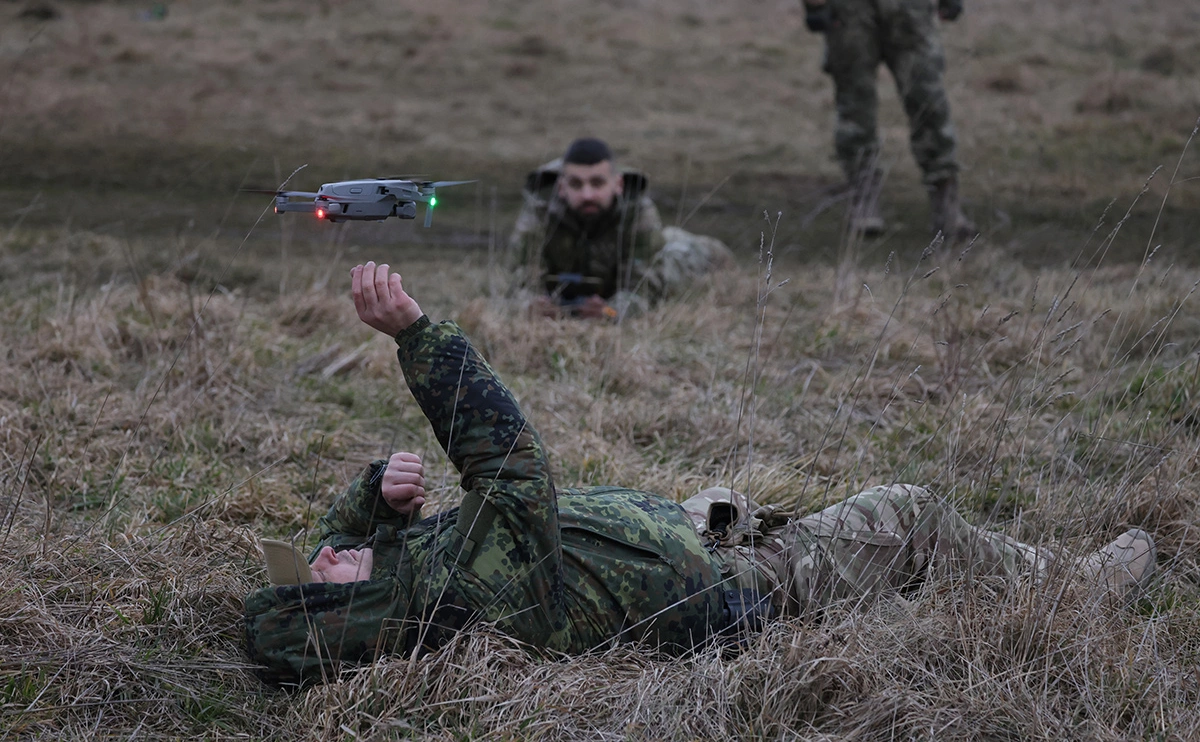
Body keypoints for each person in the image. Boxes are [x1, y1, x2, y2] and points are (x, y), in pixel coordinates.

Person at [243, 261, 1156, 685]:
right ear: (345, 608)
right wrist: (418, 340)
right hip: (734, 589)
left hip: (683, 536)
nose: (324, 551)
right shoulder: (459, 592)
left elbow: (338, 549)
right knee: (910, 515)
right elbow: (510, 463)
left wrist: (372, 497)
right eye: (322, 571)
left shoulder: (402, 592)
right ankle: (1075, 592)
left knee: (800, 514)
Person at [802, 0, 977, 240]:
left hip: (909, 10)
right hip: (850, 11)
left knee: (927, 100)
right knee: (855, 106)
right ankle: (863, 197)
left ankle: (945, 199)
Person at [507, 137, 733, 320]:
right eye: (576, 184)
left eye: (597, 183)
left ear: (618, 184)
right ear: (561, 187)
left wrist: (611, 312)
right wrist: (531, 305)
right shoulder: (539, 210)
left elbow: (643, 289)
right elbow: (519, 277)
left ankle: (707, 250)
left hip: (660, 261)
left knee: (677, 259)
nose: (587, 194)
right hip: (594, 279)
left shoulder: (638, 210)